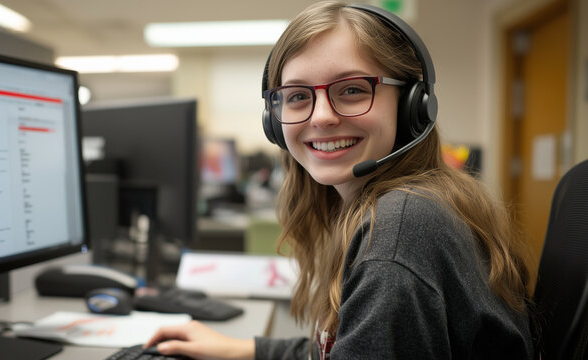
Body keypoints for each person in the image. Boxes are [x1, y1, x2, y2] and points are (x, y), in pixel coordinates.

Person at [145, 2, 534, 359]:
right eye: (298, 96)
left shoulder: (399, 230)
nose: (321, 117)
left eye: (351, 90)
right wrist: (247, 349)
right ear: (275, 123)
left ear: (412, 103)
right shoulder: (395, 208)